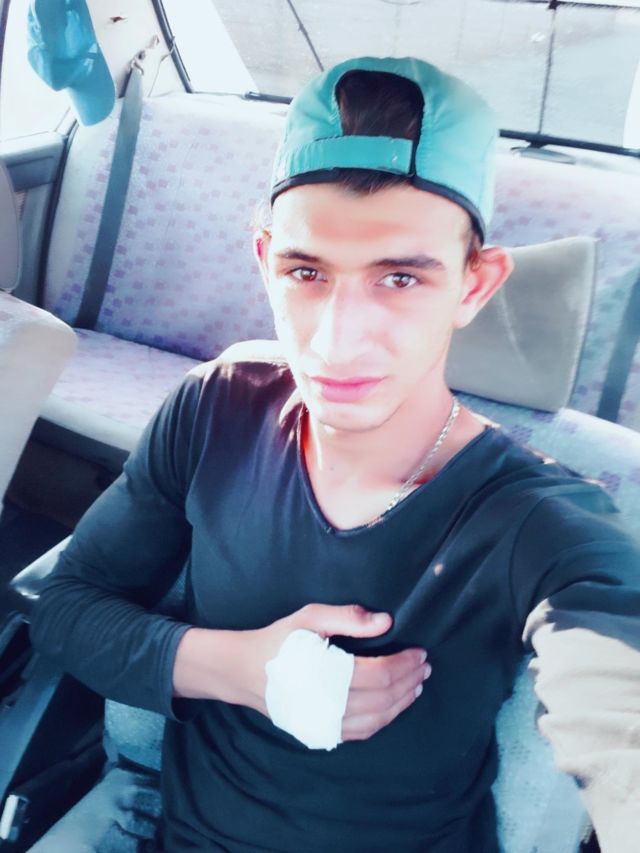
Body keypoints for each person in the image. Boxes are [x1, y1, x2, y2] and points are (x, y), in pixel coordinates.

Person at [29, 57, 640, 852]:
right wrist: (237, 668)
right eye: (307, 271)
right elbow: (66, 610)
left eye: (400, 279)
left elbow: (617, 708)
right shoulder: (215, 408)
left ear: (474, 285)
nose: (337, 339)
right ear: (265, 262)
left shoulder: (544, 519)